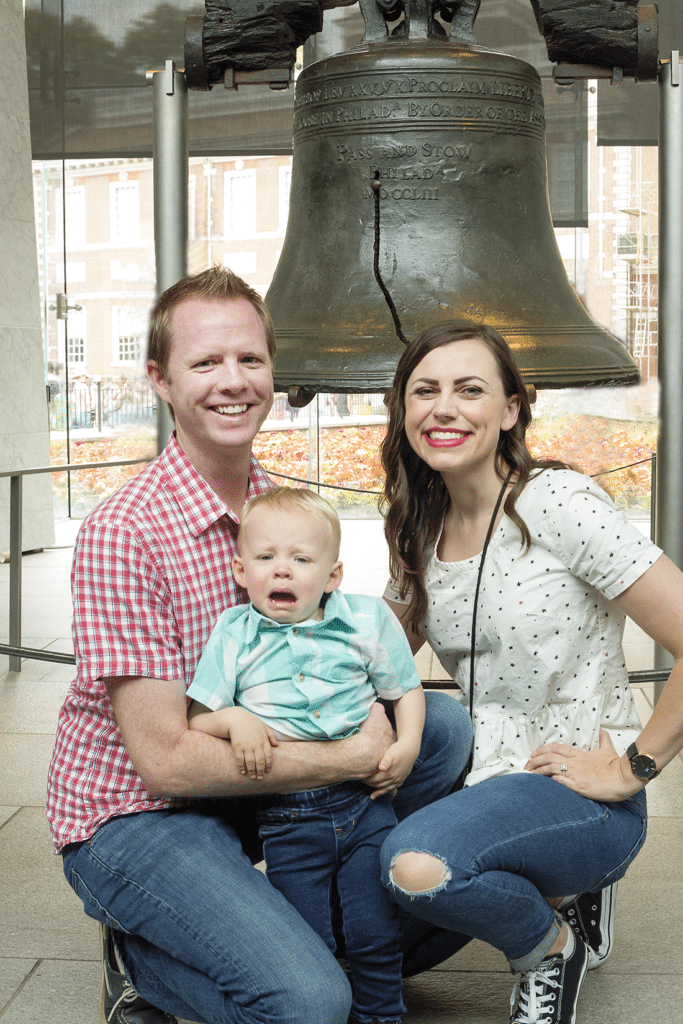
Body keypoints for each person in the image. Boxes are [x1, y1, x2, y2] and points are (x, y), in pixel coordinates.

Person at [46, 267, 473, 1024]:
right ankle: (148, 963)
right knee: (308, 1005)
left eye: (249, 360)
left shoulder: (277, 505)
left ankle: (308, 939)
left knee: (439, 735)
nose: (232, 382)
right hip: (143, 814)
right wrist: (347, 756)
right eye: (205, 363)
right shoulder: (125, 532)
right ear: (160, 380)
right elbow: (167, 758)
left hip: (263, 790)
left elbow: (339, 641)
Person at [377, 319, 683, 1024]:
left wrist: (634, 767)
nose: (442, 408)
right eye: (424, 390)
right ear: (403, 409)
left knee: (417, 866)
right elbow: (373, 656)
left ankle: (549, 946)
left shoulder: (559, 504)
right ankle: (545, 889)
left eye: (469, 389)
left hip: (571, 785)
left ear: (511, 408)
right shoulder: (417, 524)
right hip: (479, 780)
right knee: (355, 938)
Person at [187, 486, 428, 1024]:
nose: (283, 572)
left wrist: (407, 745)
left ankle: (382, 1015)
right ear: (239, 571)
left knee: (375, 927)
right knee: (307, 929)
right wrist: (236, 719)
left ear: (333, 576)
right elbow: (199, 715)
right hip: (287, 814)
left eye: (301, 559)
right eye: (266, 558)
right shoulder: (235, 633)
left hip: (366, 802)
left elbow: (406, 688)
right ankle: (323, 1003)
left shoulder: (365, 621)